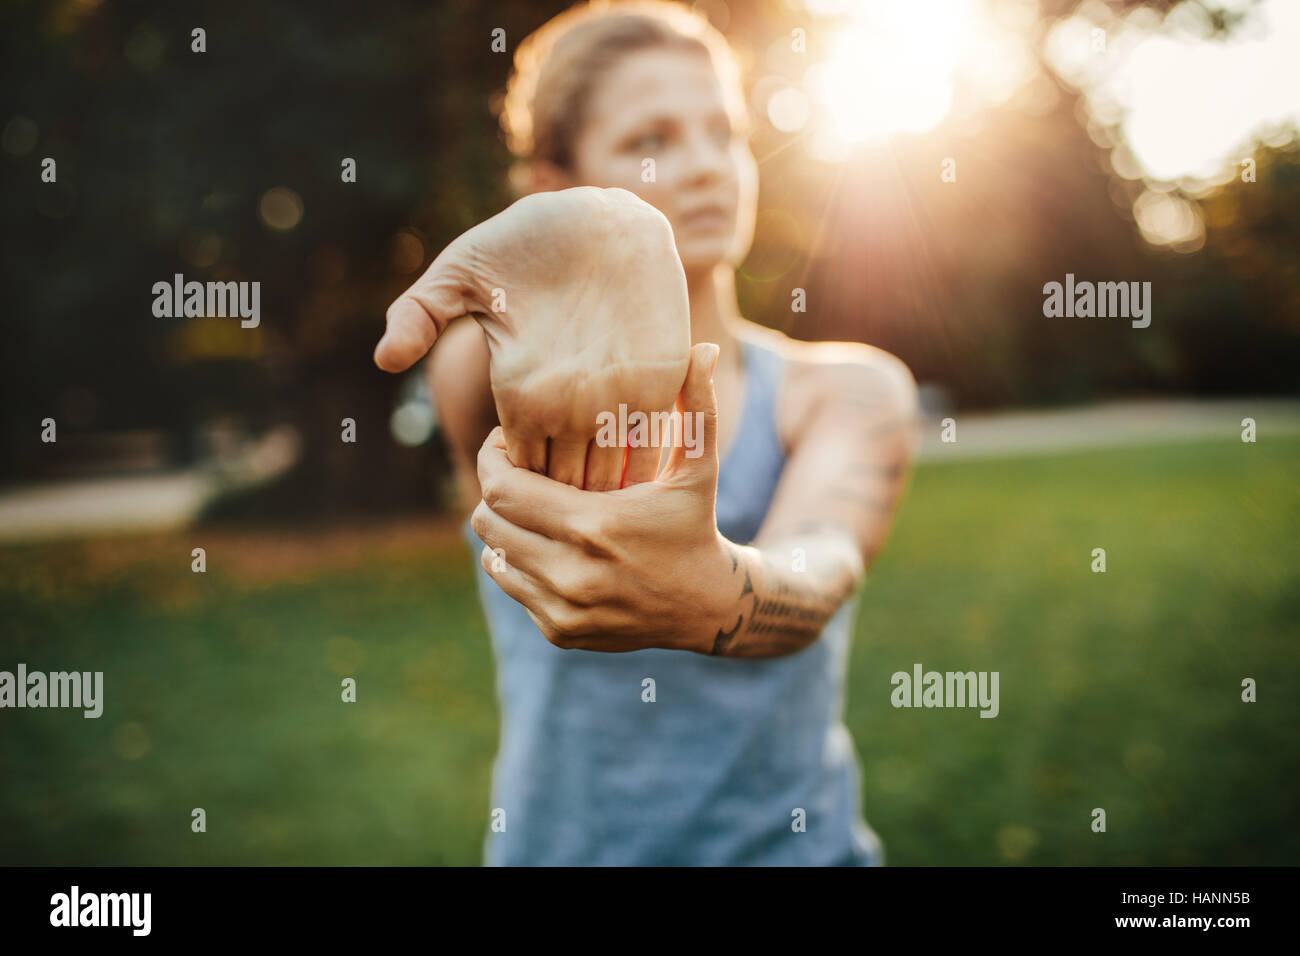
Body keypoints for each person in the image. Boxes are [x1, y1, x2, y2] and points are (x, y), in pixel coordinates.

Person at [374, 0, 919, 865]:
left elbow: (820, 569)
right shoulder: (500, 381)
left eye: (723, 132)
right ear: (556, 186)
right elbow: (476, 343)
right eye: (651, 141)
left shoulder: (846, 391)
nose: (707, 167)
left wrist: (715, 591)